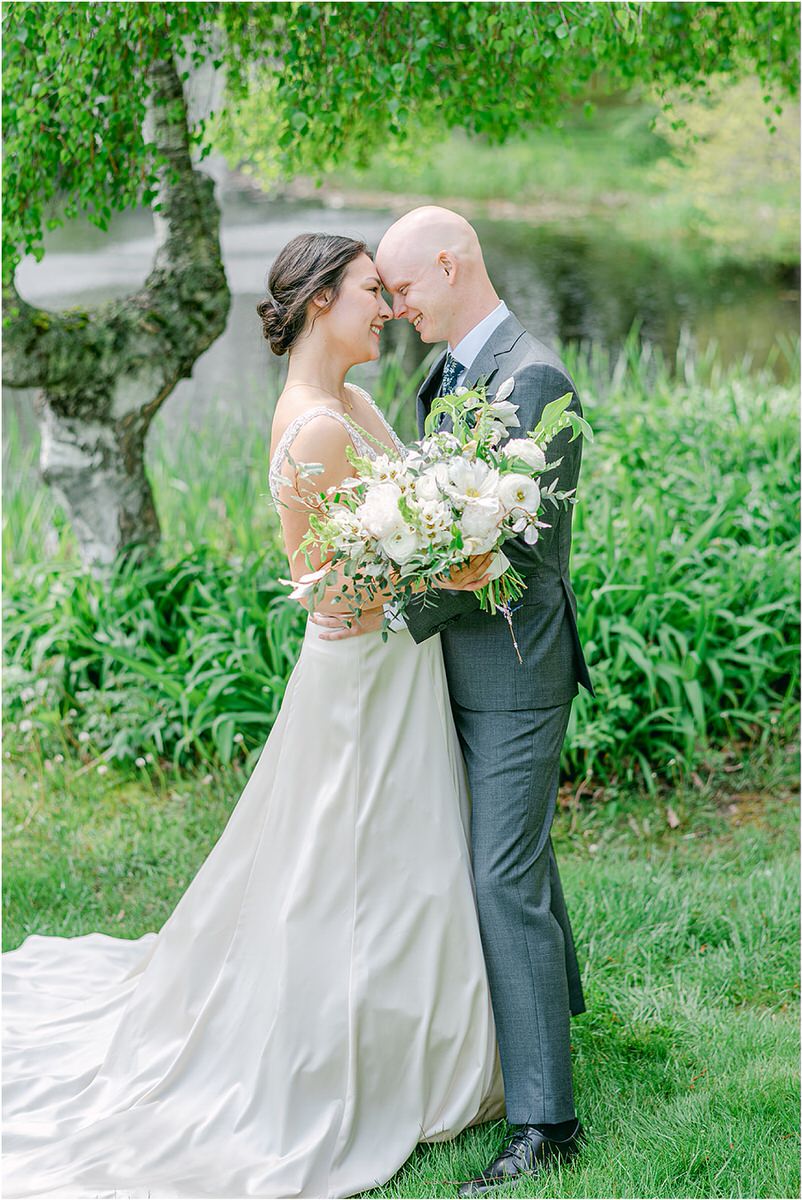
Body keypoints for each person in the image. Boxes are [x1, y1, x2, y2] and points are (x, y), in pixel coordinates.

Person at [2, 233, 506, 1199]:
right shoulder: (315, 425)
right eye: (371, 291)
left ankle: (427, 1040)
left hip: (394, 668)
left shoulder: (355, 403)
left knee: (404, 852)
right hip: (361, 675)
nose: (388, 307)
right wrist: (453, 560)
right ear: (321, 302)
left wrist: (457, 525)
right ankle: (351, 1056)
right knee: (349, 860)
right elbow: (328, 589)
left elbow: (393, 534)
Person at [316, 207, 595, 1196]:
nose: (396, 309)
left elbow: (521, 550)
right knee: (512, 857)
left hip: (515, 674)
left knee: (498, 877)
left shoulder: (533, 379)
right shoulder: (448, 376)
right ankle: (556, 1014)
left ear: (452, 260)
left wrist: (391, 611)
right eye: (381, 295)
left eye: (404, 288)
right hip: (463, 669)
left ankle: (545, 1127)